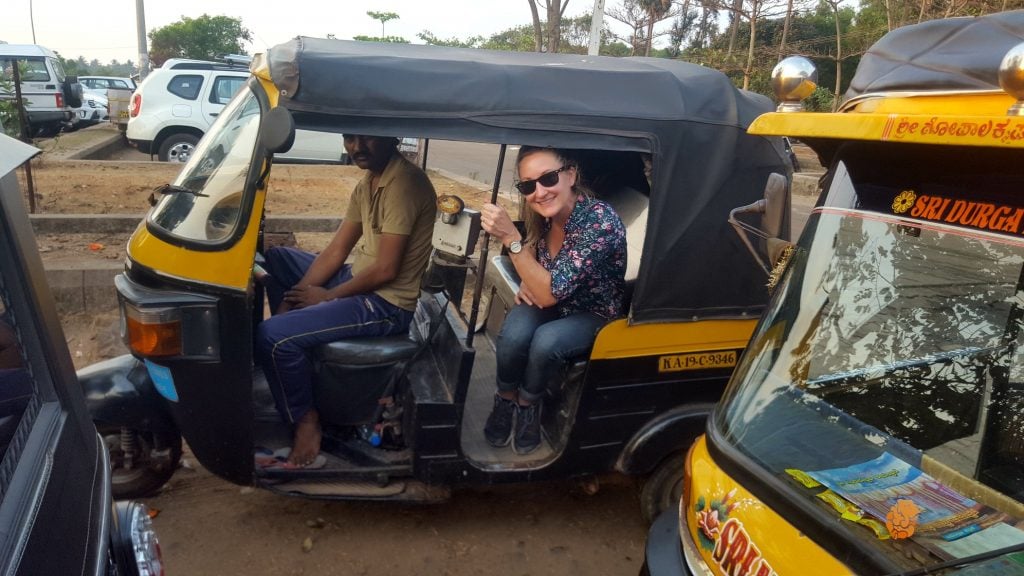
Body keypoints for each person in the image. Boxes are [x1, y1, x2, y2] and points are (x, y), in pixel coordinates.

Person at [255, 135, 437, 468]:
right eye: (349, 138)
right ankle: (300, 345)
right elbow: (337, 251)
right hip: (356, 279)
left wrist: (326, 297)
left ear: (392, 138)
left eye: (366, 138)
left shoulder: (405, 185)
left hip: (384, 304)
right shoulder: (370, 181)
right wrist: (296, 299)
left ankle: (307, 423)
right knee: (278, 258)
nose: (356, 147)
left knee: (272, 338)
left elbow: (386, 269)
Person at [479, 146, 626, 455]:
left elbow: (548, 292)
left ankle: (527, 404)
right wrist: (527, 278)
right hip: (554, 298)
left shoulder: (599, 221)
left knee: (546, 341)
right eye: (528, 185)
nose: (540, 192)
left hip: (592, 309)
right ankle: (505, 398)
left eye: (548, 178)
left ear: (571, 175)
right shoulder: (544, 215)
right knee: (514, 335)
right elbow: (531, 249)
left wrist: (509, 239)